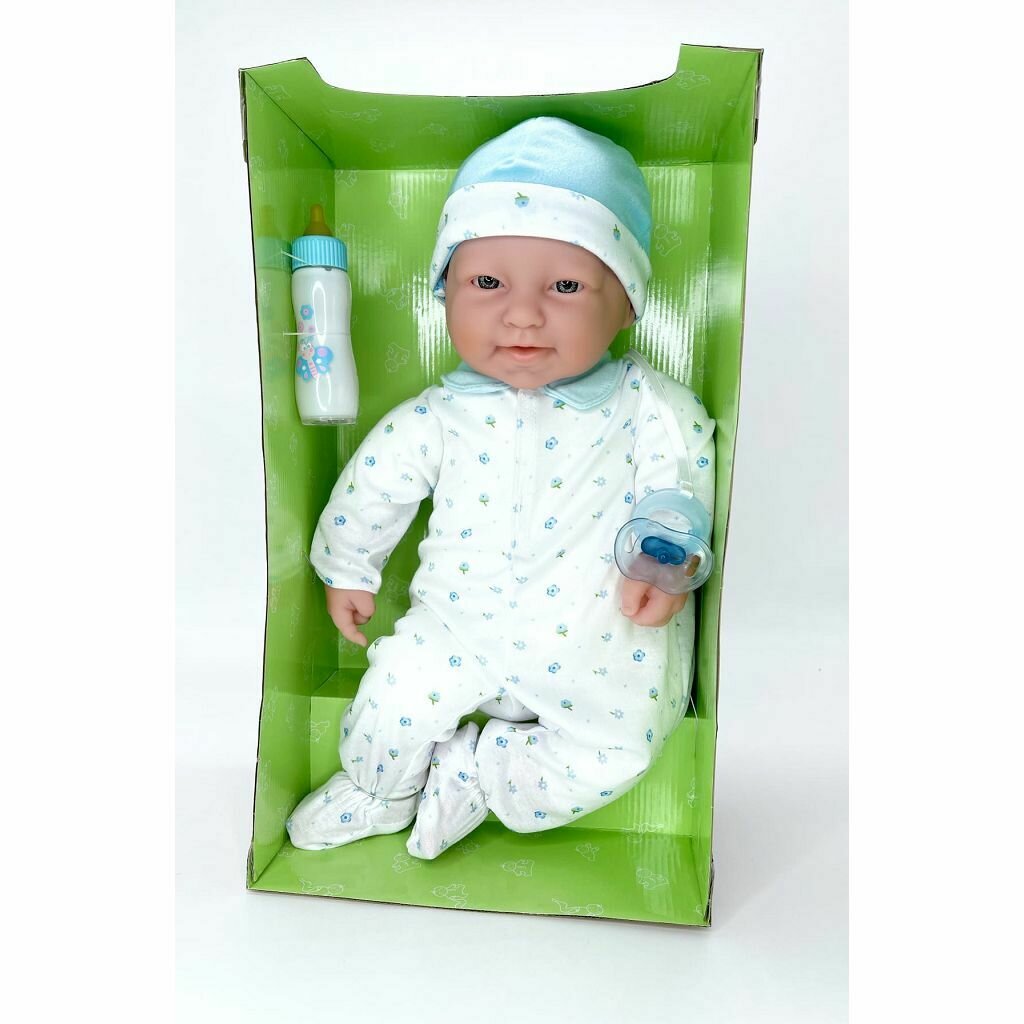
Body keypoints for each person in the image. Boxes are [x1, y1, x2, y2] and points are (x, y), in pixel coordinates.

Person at [285, 116, 716, 859]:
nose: (522, 314)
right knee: (391, 697)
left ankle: (477, 775)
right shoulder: (438, 415)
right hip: (457, 624)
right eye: (486, 283)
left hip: (593, 638)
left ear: (626, 305)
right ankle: (380, 793)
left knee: (622, 746)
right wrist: (349, 568)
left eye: (567, 285)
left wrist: (661, 563)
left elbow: (676, 487)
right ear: (444, 294)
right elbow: (374, 485)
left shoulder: (648, 406)